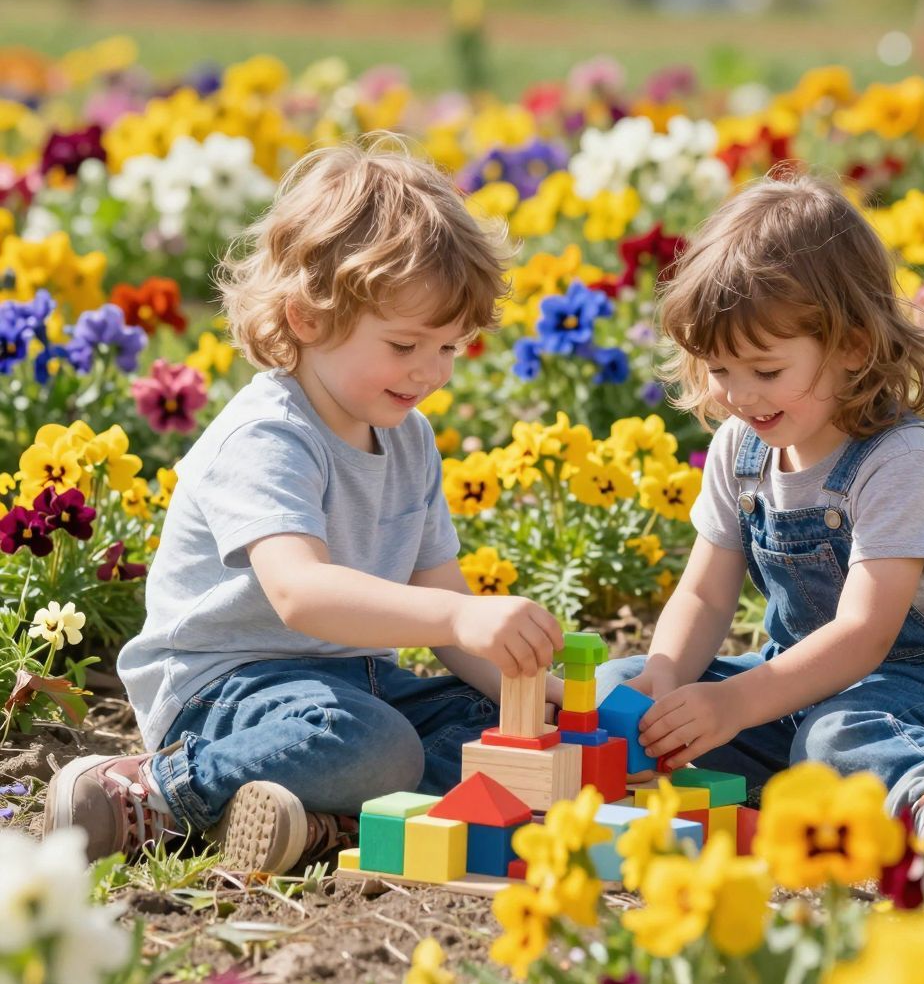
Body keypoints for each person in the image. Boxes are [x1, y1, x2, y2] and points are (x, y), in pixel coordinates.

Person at [43, 138, 563, 873]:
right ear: (307, 318)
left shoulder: (408, 437)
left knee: (496, 733)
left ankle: (318, 824)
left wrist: (541, 698)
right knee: (377, 745)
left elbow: (444, 601)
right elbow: (301, 594)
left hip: (354, 689)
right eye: (405, 344)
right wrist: (457, 617)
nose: (430, 371)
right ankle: (151, 794)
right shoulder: (268, 433)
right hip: (226, 691)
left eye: (451, 347)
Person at [596, 169, 924, 825]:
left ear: (852, 346)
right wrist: (667, 681)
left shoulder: (902, 463)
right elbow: (704, 597)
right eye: (719, 368)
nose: (739, 394)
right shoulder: (741, 448)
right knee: (622, 685)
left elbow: (863, 636)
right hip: (790, 684)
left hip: (921, 694)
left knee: (834, 740)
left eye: (765, 370)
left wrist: (734, 705)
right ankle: (786, 785)